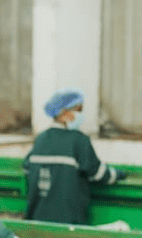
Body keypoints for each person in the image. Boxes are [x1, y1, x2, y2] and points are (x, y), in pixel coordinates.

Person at [23, 89, 123, 225]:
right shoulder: (78, 141)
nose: (80, 114)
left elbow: (27, 168)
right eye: (78, 109)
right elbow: (98, 174)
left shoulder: (41, 139)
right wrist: (117, 174)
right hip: (68, 221)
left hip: (38, 219)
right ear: (64, 113)